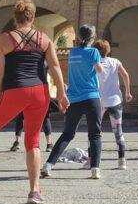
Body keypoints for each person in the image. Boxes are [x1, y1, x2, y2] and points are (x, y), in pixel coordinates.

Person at [0, 0, 68, 204]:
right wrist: (62, 94)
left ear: (15, 18)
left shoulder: (4, 39)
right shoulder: (44, 39)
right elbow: (55, 67)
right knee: (33, 140)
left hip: (15, 91)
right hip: (40, 92)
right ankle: (34, 191)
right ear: (33, 17)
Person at [43, 24, 106, 181]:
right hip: (91, 97)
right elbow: (100, 70)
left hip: (74, 98)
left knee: (68, 134)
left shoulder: (73, 53)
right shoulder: (94, 52)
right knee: (95, 134)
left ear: (78, 37)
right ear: (92, 37)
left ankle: (48, 165)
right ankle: (95, 169)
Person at [96, 40, 133, 170]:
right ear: (108, 50)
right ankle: (122, 161)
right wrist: (128, 92)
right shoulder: (115, 62)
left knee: (94, 131)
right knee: (118, 132)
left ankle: (91, 160)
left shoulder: (94, 63)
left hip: (99, 101)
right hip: (115, 100)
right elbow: (125, 75)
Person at [9, 72, 57, 152]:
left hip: (25, 92)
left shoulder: (25, 70)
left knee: (20, 118)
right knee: (45, 118)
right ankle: (49, 144)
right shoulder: (43, 69)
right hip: (41, 93)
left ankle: (17, 142)